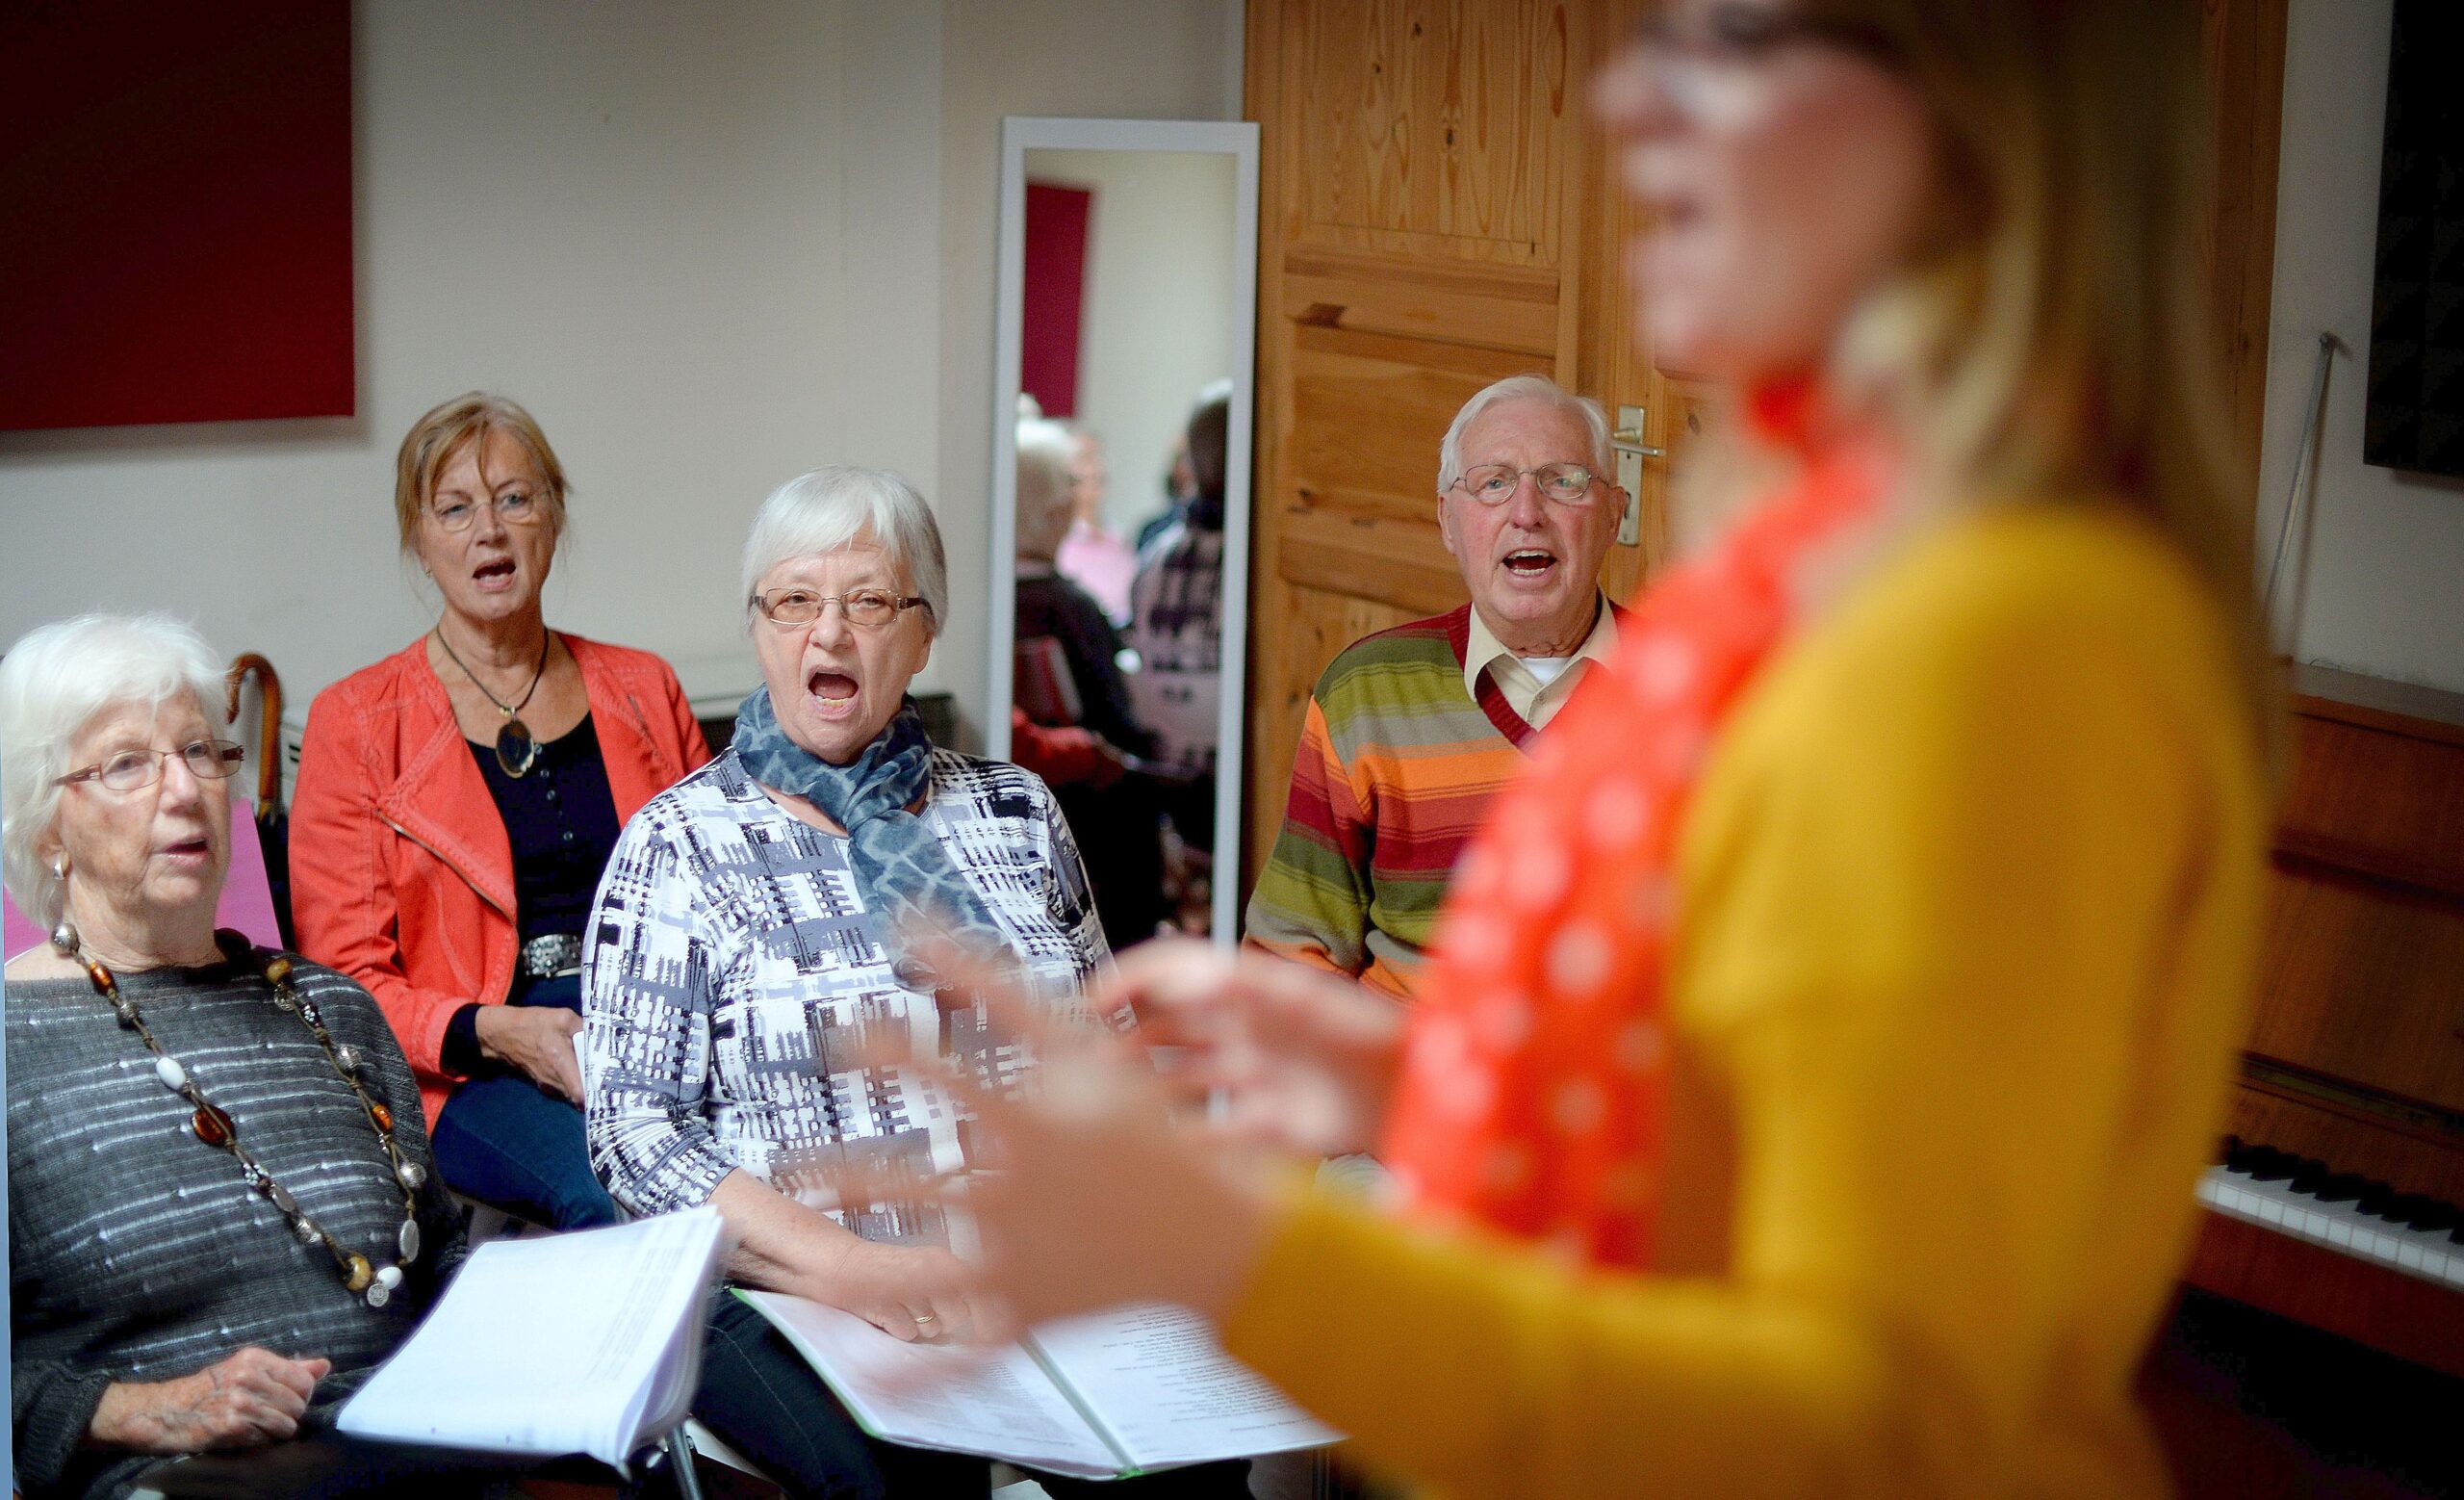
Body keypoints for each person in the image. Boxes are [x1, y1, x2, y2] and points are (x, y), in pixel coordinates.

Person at [886, 3, 2275, 1496]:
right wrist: (1412, 1077)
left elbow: (1860, 1419)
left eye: (1741, 39)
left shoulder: (1987, 632)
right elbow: (1753, 1165)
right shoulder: (1835, 576)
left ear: (1972, 102)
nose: (1626, 94)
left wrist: (1229, 1253)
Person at [583, 467, 1249, 1499]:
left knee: (1193, 1463)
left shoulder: (1016, 811)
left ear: (925, 631)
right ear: (760, 628)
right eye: (795, 600)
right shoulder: (677, 844)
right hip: (802, 1288)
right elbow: (636, 1134)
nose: (830, 634)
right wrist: (858, 1272)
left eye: (868, 600)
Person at [4, 614, 470, 1500]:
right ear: (45, 828)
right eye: (127, 765)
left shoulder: (332, 1007)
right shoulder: (9, 1049)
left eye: (200, 751)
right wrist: (148, 1408)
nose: (184, 790)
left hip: (421, 1455)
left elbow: (439, 1262)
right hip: (188, 1482)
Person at [290, 391, 709, 1233]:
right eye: (455, 509)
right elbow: (348, 982)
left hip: (654, 1027)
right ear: (419, 538)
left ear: (553, 517)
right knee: (620, 1193)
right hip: (472, 1065)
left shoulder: (643, 687)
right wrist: (496, 1031)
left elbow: (721, 892)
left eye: (515, 499)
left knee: (778, 1161)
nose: (489, 530)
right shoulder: (360, 722)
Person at [1244, 375, 1629, 998]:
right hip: (1407, 1084)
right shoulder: (1367, 693)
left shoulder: (1693, 692)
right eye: (1493, 483)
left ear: (1614, 515)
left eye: (1563, 481)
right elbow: (1291, 953)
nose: (1527, 514)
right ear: (1449, 522)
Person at [1014, 416, 1172, 947]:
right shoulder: (1071, 608)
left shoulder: (985, 604)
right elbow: (1118, 725)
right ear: (1054, 509)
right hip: (1090, 816)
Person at [1052, 423, 1139, 624]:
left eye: (1097, 456)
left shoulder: (1120, 540)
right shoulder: (1056, 542)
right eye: (1083, 457)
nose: (1094, 467)